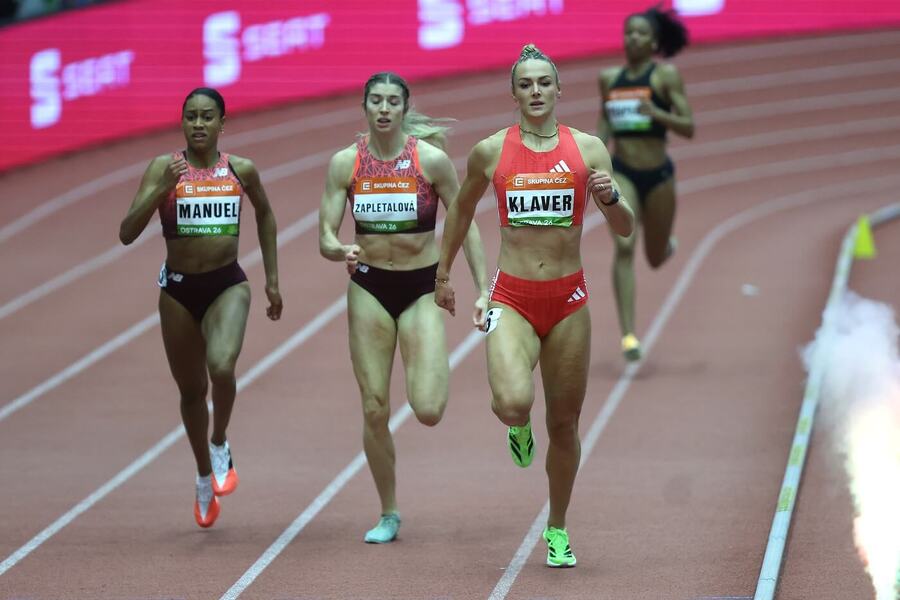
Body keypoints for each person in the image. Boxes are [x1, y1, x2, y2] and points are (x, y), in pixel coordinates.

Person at [435, 45, 634, 567]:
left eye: (545, 82)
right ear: (514, 93)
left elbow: (625, 226)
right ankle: (517, 426)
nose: (537, 91)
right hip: (514, 296)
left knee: (565, 425)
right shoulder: (490, 152)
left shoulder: (589, 150)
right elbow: (458, 213)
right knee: (513, 401)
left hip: (568, 300)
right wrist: (442, 274)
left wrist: (611, 197)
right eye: (526, 84)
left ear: (559, 89)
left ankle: (558, 528)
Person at [318, 72, 489, 544]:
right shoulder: (345, 165)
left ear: (405, 107)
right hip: (369, 287)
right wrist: (338, 250)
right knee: (374, 407)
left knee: (429, 408)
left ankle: (393, 499)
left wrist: (480, 287)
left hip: (419, 288)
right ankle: (388, 511)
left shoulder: (430, 162)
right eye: (376, 100)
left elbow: (464, 223)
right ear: (365, 107)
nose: (384, 108)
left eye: (393, 100)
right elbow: (326, 233)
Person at [119, 87, 283, 528]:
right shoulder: (163, 168)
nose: (198, 123)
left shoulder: (240, 169)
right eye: (190, 116)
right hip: (177, 291)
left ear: (221, 124)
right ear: (182, 122)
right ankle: (202, 474)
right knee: (191, 392)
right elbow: (126, 232)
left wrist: (271, 279)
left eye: (207, 116)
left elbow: (266, 215)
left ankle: (220, 440)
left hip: (227, 284)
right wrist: (160, 189)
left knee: (223, 366)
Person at [597, 5, 694, 361]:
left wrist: (659, 114)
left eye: (640, 33)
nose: (632, 38)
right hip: (623, 170)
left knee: (653, 258)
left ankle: (665, 244)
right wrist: (594, 157)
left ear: (653, 41)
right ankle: (629, 336)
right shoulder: (609, 79)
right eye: (628, 32)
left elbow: (689, 127)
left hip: (659, 176)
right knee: (624, 246)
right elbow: (604, 125)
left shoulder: (665, 77)